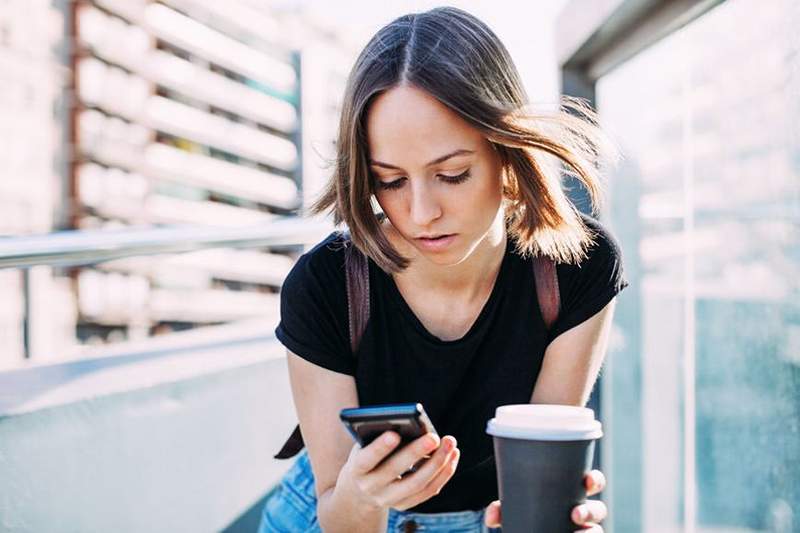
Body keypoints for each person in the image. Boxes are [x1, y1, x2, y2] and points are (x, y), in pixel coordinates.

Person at [259, 6, 627, 532]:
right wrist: (364, 496)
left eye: (452, 174)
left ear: (506, 150)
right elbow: (336, 513)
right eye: (389, 180)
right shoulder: (324, 286)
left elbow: (542, 466)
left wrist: (553, 516)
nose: (420, 213)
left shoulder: (577, 267)